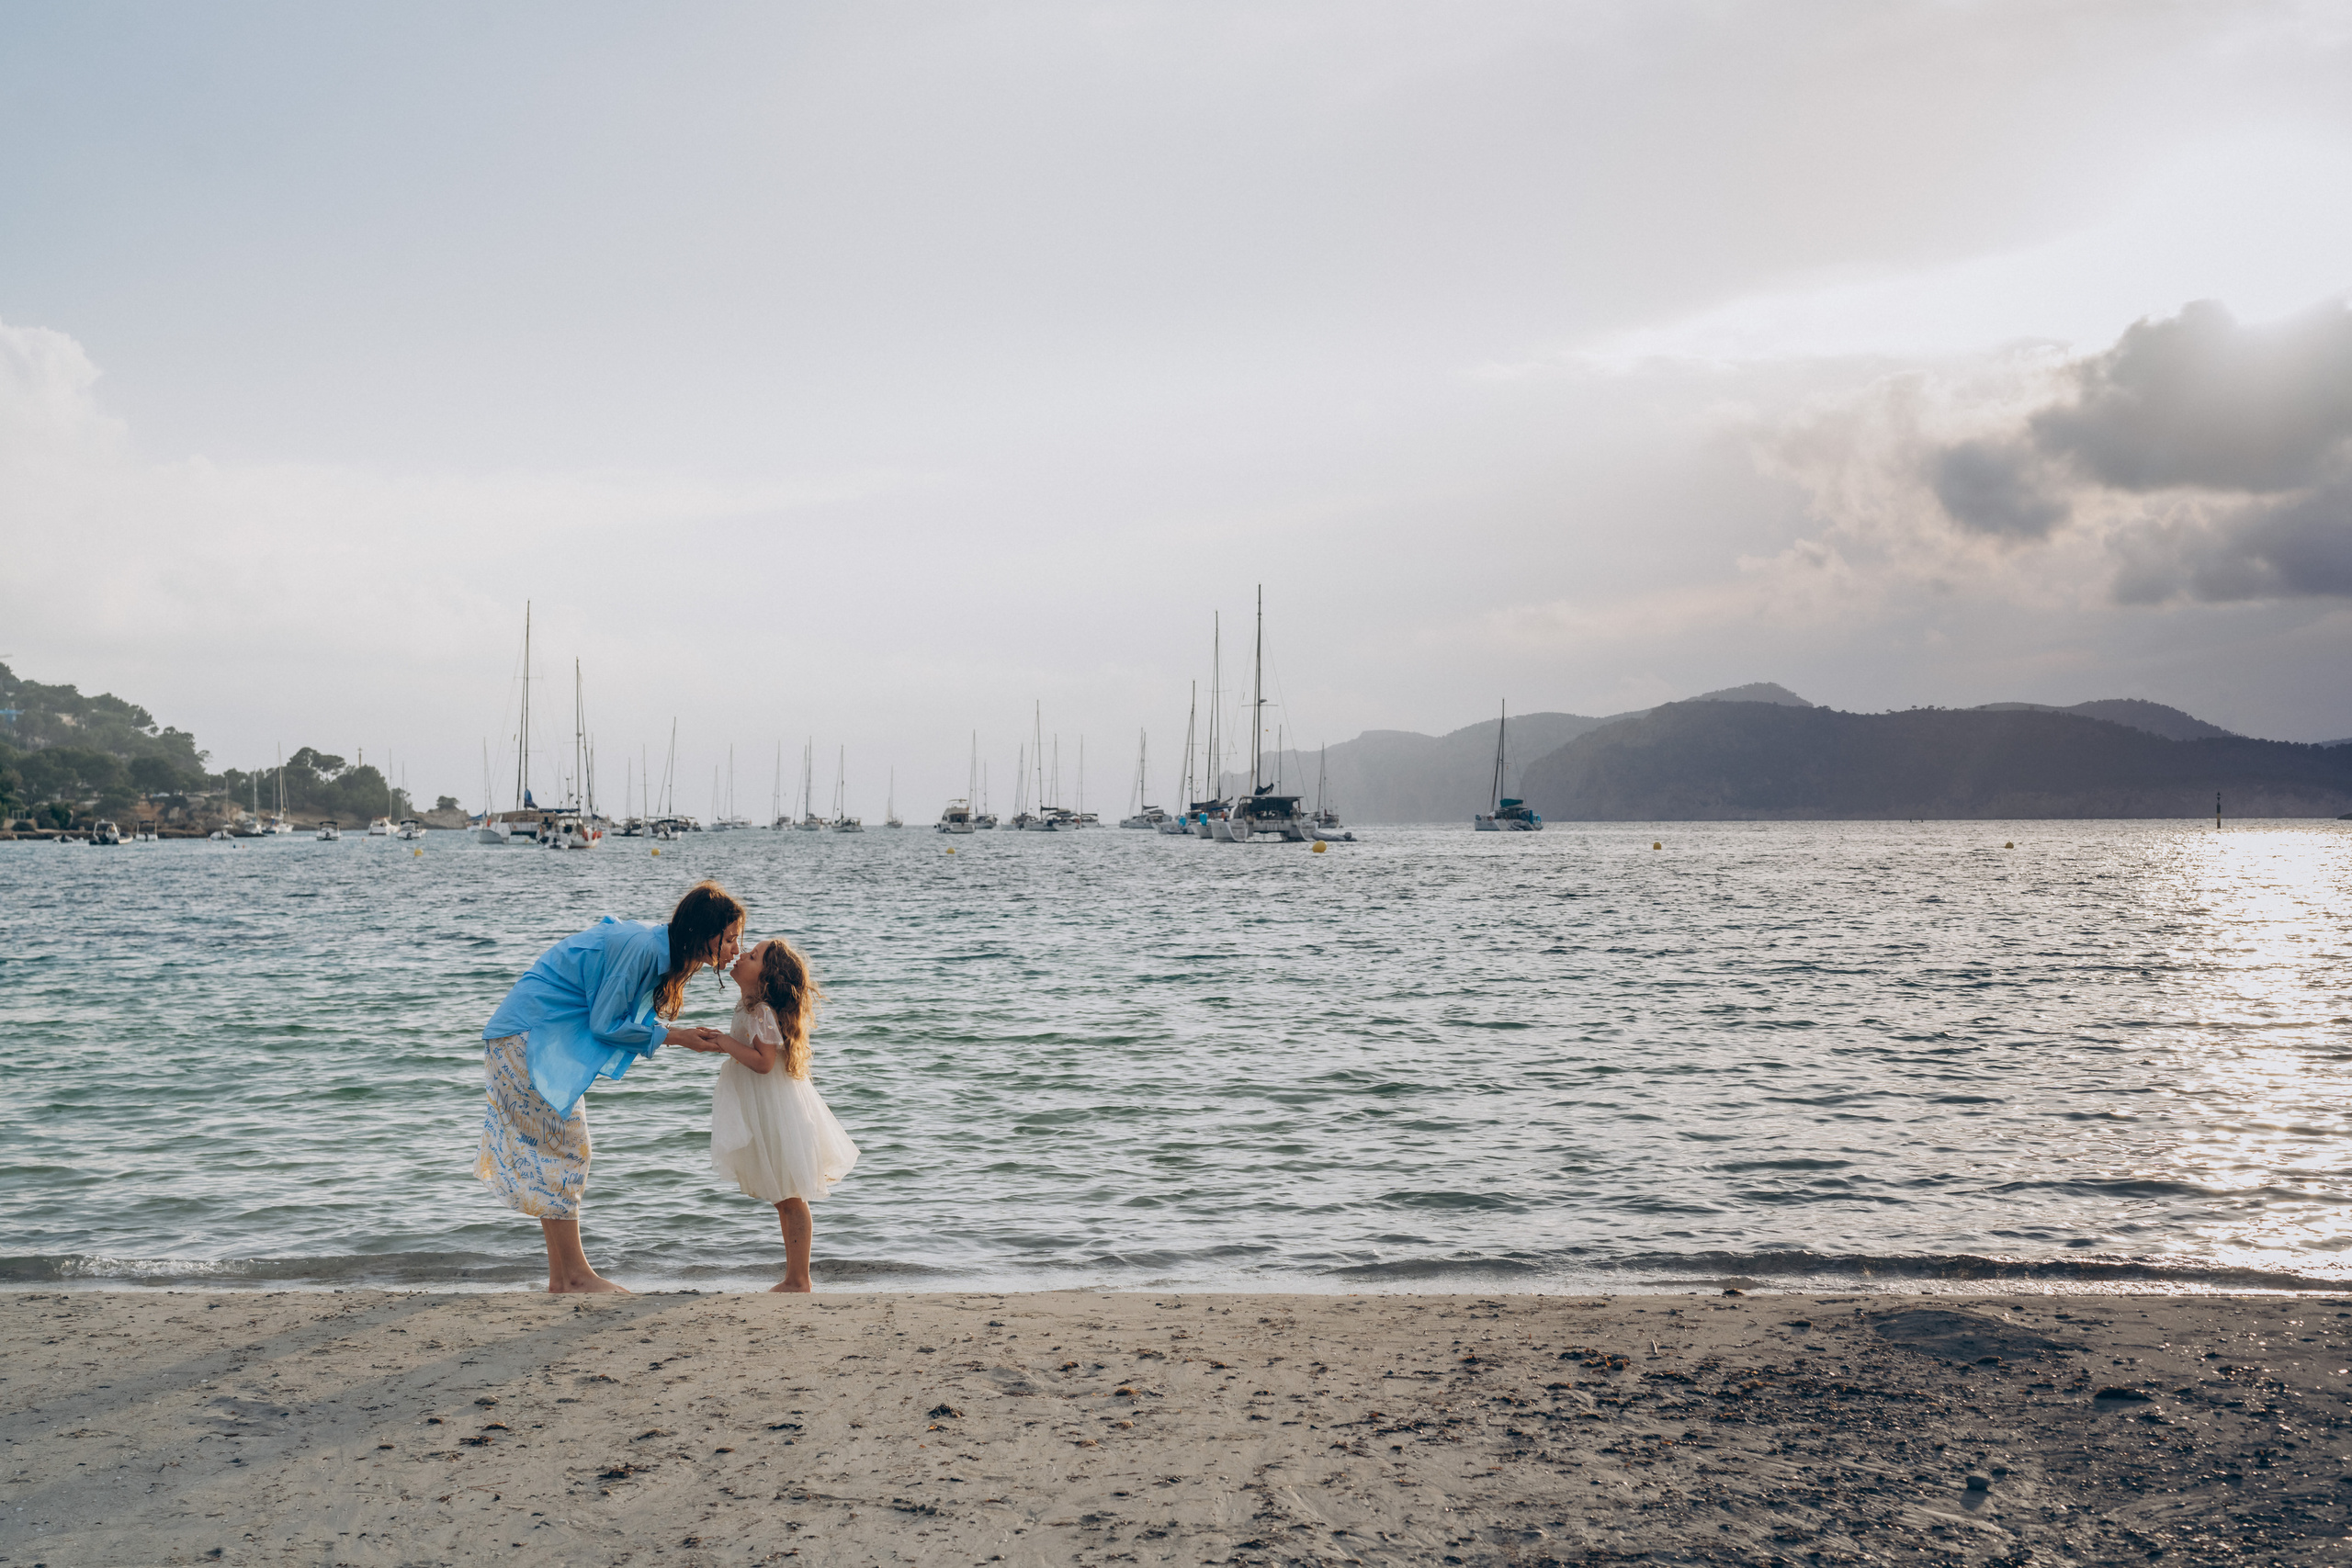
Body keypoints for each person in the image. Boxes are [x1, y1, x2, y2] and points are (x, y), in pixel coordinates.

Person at [476, 880, 745, 1292]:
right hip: (526, 1037)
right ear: (704, 932)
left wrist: (679, 1034)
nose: (734, 951)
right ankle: (577, 1275)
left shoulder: (654, 947)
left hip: (528, 1037)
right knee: (569, 1149)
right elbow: (606, 1023)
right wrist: (676, 1037)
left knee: (560, 1150)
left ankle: (562, 1278)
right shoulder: (642, 947)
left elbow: (613, 1013)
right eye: (729, 939)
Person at [698, 936, 859, 1292]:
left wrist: (724, 1043)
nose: (742, 955)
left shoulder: (764, 1012)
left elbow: (764, 1062)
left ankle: (799, 1279)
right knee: (782, 1195)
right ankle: (795, 1276)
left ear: (767, 979)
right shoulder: (751, 1004)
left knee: (790, 1194)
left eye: (752, 955)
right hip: (765, 1106)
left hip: (776, 1108)